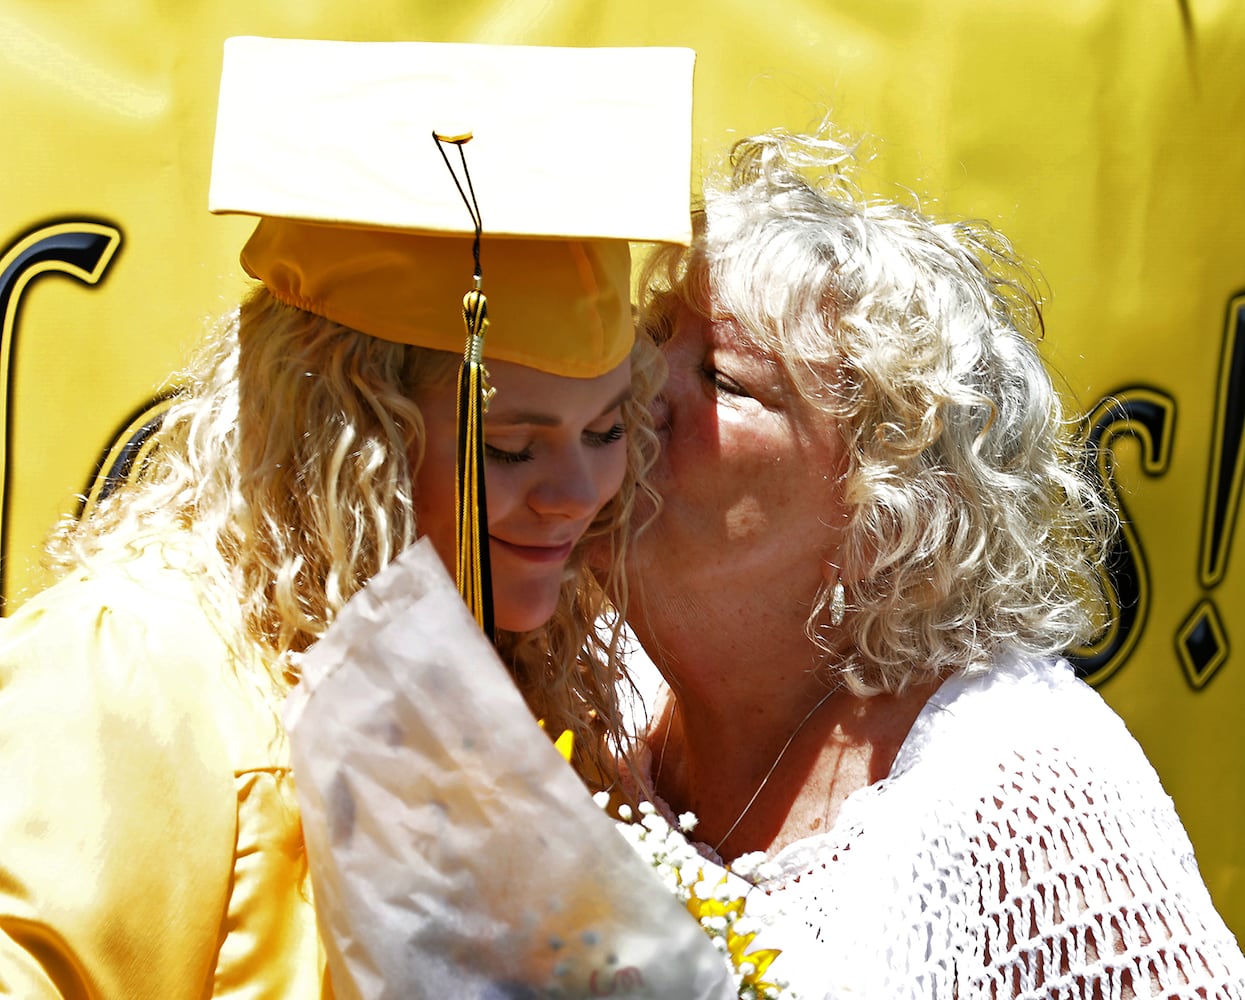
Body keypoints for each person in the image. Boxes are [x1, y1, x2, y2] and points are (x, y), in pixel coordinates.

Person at [0, 37, 692, 998]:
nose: (575, 492)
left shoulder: (534, 692)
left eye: (608, 429)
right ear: (346, 431)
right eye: (508, 446)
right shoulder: (132, 676)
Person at [625, 126, 1245, 998]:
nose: (636, 388)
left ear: (884, 515)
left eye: (724, 381)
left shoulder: (1025, 795)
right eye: (646, 336)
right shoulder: (584, 689)